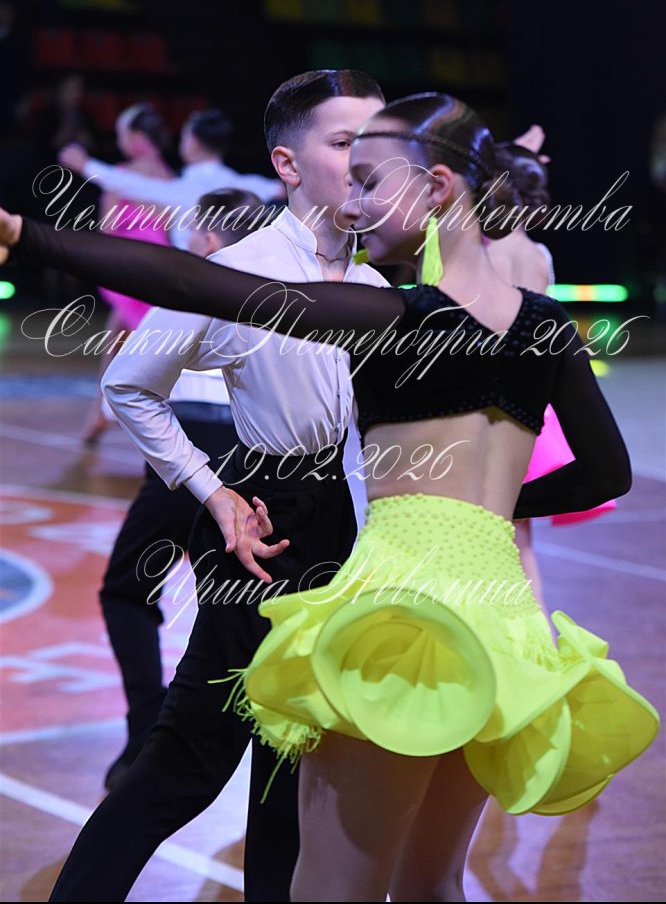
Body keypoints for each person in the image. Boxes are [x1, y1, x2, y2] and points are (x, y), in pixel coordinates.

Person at [2, 91, 660, 903]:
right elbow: (604, 476)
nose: (355, 200)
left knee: (329, 883)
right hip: (501, 624)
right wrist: (475, 506)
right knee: (432, 884)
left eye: (372, 179)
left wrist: (24, 233)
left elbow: (194, 281)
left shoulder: (394, 315)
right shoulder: (546, 325)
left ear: (438, 187)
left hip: (397, 612)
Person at [12, 69, 389, 903]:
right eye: (345, 142)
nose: (367, 160)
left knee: (291, 762)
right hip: (262, 521)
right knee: (189, 759)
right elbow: (129, 384)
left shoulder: (375, 284)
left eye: (378, 141)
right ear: (287, 164)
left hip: (336, 527)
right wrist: (211, 491)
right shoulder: (238, 270)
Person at [100, 188, 266, 791]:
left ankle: (149, 732)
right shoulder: (287, 291)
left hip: (187, 446)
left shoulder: (191, 286)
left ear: (210, 239)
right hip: (256, 453)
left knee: (127, 591)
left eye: (194, 232)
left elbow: (127, 389)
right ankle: (263, 748)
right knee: (246, 610)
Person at [487, 141, 616, 615]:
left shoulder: (487, 251)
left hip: (498, 401)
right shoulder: (539, 253)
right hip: (536, 400)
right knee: (520, 537)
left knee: (505, 532)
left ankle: (526, 633)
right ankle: (537, 630)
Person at [59, 107, 285, 249]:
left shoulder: (183, 189)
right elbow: (282, 189)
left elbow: (132, 185)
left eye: (184, 137)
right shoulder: (250, 185)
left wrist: (85, 165)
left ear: (193, 143)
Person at [82, 103, 175, 444]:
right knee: (127, 343)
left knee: (123, 346)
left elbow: (106, 227)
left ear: (136, 137)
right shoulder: (170, 179)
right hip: (159, 271)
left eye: (122, 134)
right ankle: (101, 413)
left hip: (129, 270)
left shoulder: (121, 176)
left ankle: (105, 414)